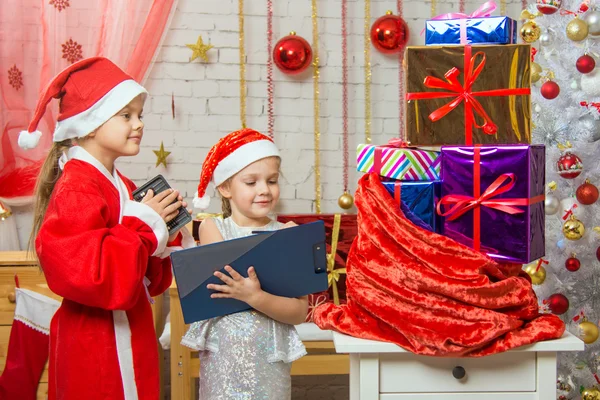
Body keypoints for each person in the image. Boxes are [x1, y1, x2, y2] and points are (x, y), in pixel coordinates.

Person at [19, 57, 195, 400]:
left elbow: (146, 280)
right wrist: (145, 228)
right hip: (94, 339)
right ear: (90, 124)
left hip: (132, 330)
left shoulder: (124, 185)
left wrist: (164, 230)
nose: (139, 124)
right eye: (126, 115)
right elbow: (94, 276)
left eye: (140, 115)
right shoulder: (76, 187)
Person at [182, 128, 308, 399]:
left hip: (270, 361)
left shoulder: (287, 233)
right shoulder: (212, 229)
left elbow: (299, 311)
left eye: (272, 181)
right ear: (225, 187)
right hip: (223, 362)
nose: (264, 190)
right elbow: (216, 290)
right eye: (251, 182)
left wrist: (256, 296)